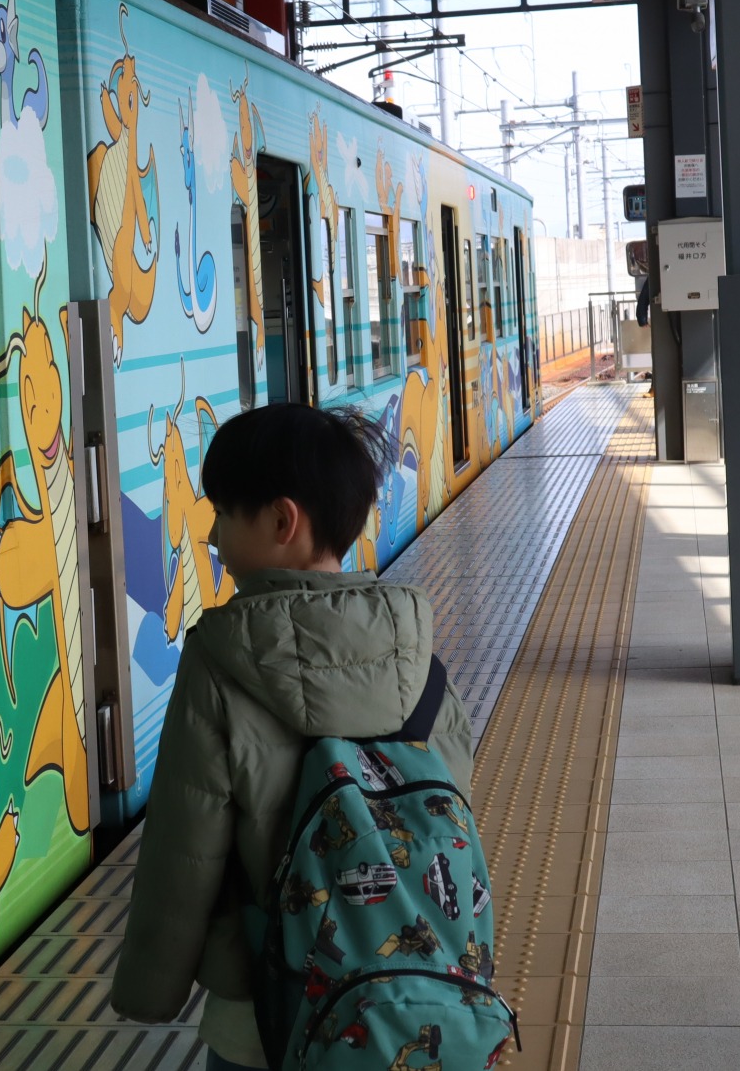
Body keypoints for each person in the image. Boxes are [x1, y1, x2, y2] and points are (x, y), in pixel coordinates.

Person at [108, 403, 474, 1070]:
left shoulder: (218, 661)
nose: (212, 535)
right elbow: (446, 814)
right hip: (404, 1000)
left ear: (281, 521)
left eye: (222, 512)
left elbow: (182, 850)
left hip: (264, 1015)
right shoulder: (420, 658)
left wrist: (149, 990)